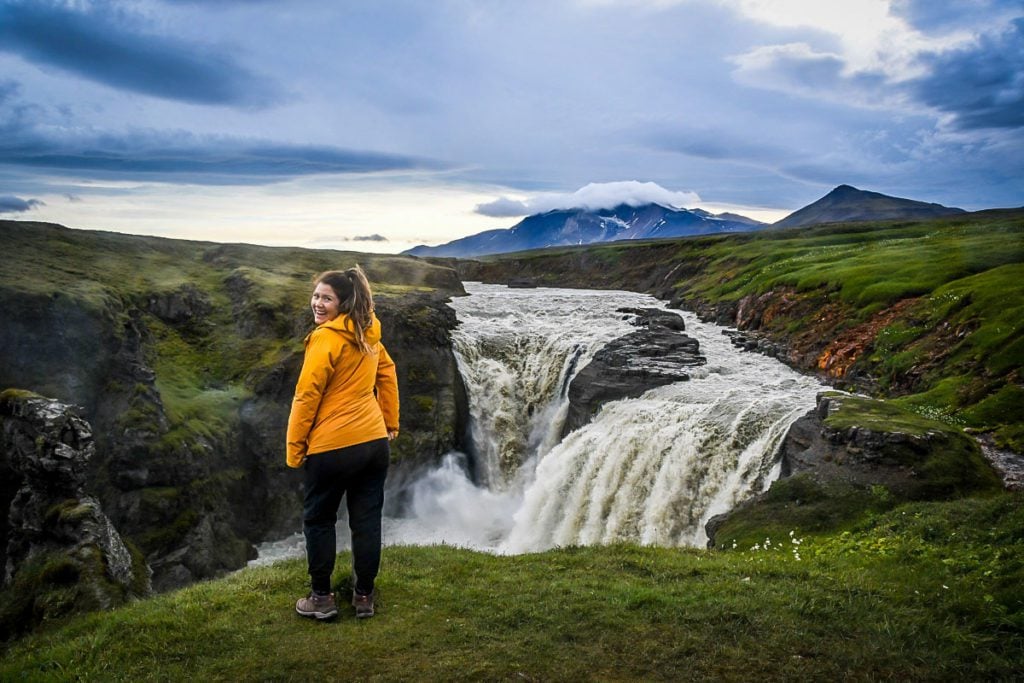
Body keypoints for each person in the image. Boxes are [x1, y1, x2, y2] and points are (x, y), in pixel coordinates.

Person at [286, 266, 399, 620]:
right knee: (366, 520)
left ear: (343, 302)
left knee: (319, 519)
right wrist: (390, 421)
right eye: (316, 295)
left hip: (332, 447)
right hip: (373, 444)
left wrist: (295, 448)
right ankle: (363, 596)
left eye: (326, 298)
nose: (318, 303)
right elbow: (388, 374)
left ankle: (321, 599)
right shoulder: (369, 334)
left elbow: (306, 395)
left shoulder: (326, 339)